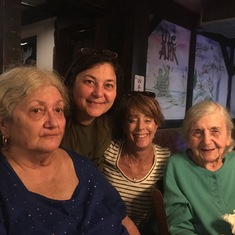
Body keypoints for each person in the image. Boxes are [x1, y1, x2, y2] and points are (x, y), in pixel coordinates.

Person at [0, 66, 140, 235]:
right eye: (37, 110)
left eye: (58, 110)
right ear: (4, 124)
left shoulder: (83, 166)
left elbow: (127, 224)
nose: (53, 123)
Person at [102, 91, 171, 233]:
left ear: (156, 124)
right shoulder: (108, 152)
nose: (140, 127)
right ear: (124, 126)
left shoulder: (166, 161)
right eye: (132, 120)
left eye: (148, 120)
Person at [163, 100, 235, 235]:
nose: (207, 141)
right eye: (197, 132)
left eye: (215, 131)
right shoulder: (177, 167)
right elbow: (179, 227)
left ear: (228, 136)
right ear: (188, 138)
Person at [61, 47, 123, 167]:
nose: (98, 93)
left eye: (108, 85)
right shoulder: (53, 124)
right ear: (71, 83)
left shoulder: (115, 124)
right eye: (90, 82)